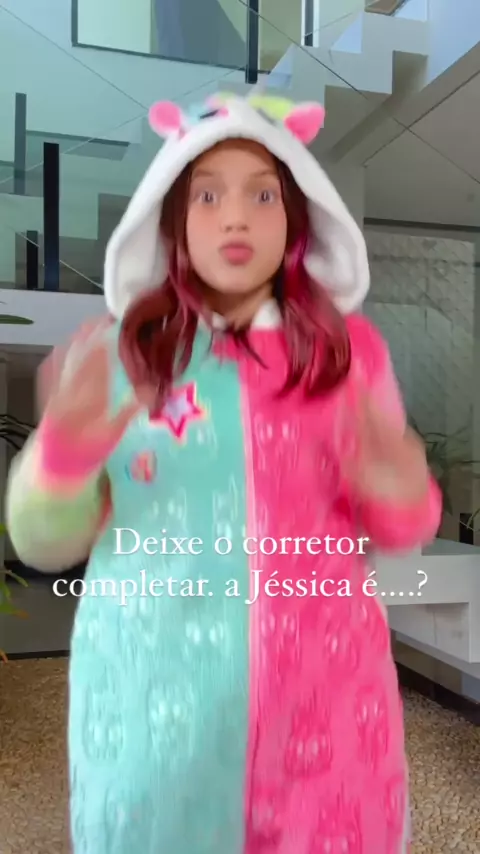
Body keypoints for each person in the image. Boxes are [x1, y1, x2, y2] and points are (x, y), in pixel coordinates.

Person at [6, 91, 441, 854]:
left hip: (325, 707)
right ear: (171, 220)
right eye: (206, 195)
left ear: (296, 218)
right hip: (154, 706)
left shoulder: (349, 356)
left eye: (262, 195)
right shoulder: (117, 355)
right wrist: (64, 454)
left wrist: (395, 469)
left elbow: (404, 529)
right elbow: (42, 542)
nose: (235, 217)